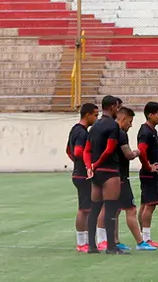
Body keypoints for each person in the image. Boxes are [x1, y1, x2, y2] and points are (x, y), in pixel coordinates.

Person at [84, 95, 125, 254]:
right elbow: (109, 150)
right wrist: (96, 164)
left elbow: (87, 150)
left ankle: (92, 246)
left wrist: (90, 166)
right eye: (117, 107)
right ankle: (111, 247)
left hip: (96, 174)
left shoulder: (95, 126)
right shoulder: (113, 125)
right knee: (110, 209)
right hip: (109, 171)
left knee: (94, 209)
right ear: (113, 107)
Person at [112, 107, 149, 251]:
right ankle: (140, 242)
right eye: (130, 121)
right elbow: (128, 155)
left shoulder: (109, 131)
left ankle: (114, 241)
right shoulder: (121, 133)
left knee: (114, 210)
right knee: (131, 209)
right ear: (123, 119)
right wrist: (137, 152)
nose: (131, 125)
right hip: (121, 177)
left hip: (113, 176)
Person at [67, 102, 98, 252]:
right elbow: (78, 152)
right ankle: (81, 242)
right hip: (82, 175)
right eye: (95, 115)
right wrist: (87, 164)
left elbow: (68, 150)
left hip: (77, 173)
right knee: (85, 209)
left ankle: (84, 240)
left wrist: (76, 162)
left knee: (86, 208)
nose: (96, 118)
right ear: (87, 115)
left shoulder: (74, 130)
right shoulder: (82, 133)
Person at [137, 101, 158, 249]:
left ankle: (143, 236)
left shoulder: (151, 130)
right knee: (150, 204)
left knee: (145, 204)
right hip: (149, 174)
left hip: (151, 173)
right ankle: (146, 239)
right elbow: (141, 151)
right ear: (150, 115)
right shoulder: (146, 132)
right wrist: (148, 167)